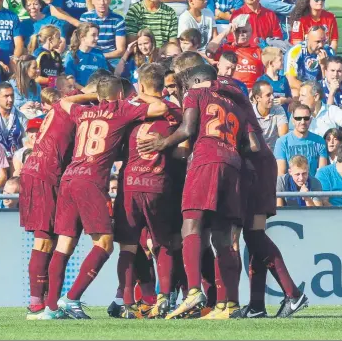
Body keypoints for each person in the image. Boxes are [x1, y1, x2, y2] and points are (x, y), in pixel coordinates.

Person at [38, 75, 168, 320]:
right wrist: (138, 95)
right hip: (90, 180)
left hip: (69, 177)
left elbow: (62, 103)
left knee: (64, 243)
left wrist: (92, 97)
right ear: (120, 95)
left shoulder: (83, 112)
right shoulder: (121, 109)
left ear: (99, 96)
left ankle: (51, 308)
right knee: (105, 243)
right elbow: (161, 106)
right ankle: (72, 298)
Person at [137, 64, 255, 320]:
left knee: (190, 226)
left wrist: (162, 143)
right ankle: (230, 304)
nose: (185, 90)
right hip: (232, 165)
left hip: (206, 161)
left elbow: (188, 129)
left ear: (198, 81)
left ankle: (193, 292)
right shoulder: (235, 103)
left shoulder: (196, 94)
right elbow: (251, 145)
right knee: (223, 238)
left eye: (187, 84)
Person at [217, 82, 309, 319]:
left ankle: (293, 293)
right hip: (260, 173)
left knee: (254, 236)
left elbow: (254, 145)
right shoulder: (243, 109)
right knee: (253, 237)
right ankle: (257, 304)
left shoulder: (238, 111)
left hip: (256, 177)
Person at [20, 85, 99, 319]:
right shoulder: (69, 108)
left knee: (50, 240)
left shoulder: (61, 110)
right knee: (44, 241)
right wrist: (98, 94)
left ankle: (43, 301)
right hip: (45, 174)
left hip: (38, 171)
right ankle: (37, 304)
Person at [113, 63, 182, 319]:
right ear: (162, 87)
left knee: (129, 245)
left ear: (140, 85)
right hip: (158, 184)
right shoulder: (175, 111)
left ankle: (129, 303)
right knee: (163, 243)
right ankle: (164, 297)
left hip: (130, 184)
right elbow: (183, 150)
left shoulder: (130, 108)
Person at [274, 103, 328, 177]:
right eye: (298, 118)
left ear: (311, 120)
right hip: (290, 186)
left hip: (313, 186)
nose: (302, 122)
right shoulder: (282, 142)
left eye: (306, 118)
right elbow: (281, 173)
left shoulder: (319, 141)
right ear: (293, 120)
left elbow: (322, 172)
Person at [208, 22, 264, 90]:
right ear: (233, 32)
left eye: (244, 31)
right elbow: (209, 51)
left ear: (251, 32)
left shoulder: (259, 51)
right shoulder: (226, 48)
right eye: (237, 31)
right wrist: (226, 32)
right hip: (230, 88)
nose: (241, 34)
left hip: (253, 92)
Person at [284, 25, 334, 96]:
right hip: (303, 90)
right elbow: (291, 81)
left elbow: (330, 81)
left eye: (323, 41)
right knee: (295, 92)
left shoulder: (328, 52)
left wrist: (323, 66)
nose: (321, 45)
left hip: (320, 91)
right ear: (307, 39)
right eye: (318, 41)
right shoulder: (295, 52)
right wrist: (311, 92)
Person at [80, 0, 126, 68]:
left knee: (121, 71)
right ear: (93, 0)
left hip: (111, 58)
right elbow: (82, 43)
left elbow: (120, 51)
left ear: (110, 0)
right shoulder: (85, 18)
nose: (102, 3)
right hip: (89, 55)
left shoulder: (118, 19)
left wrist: (99, 56)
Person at [64, 22, 109, 88]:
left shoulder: (99, 54)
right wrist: (86, 92)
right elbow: (70, 80)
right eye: (93, 35)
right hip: (78, 94)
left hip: (97, 94)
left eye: (97, 35)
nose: (97, 38)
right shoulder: (72, 55)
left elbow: (106, 77)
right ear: (82, 37)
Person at [252, 80, 289, 151]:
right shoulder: (249, 112)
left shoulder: (278, 109)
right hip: (256, 153)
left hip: (275, 154)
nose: (272, 97)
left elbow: (283, 138)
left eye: (272, 94)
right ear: (257, 98)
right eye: (268, 95)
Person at [258, 46, 293, 118]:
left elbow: (290, 99)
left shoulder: (283, 79)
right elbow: (256, 100)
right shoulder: (261, 81)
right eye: (280, 60)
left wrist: (285, 100)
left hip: (283, 117)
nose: (283, 62)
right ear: (271, 63)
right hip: (268, 118)